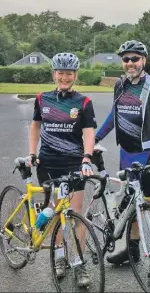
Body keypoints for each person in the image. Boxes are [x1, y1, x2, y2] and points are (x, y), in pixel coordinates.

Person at [94, 40, 150, 278]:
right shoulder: (120, 85)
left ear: (144, 61)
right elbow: (113, 116)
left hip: (148, 156)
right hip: (126, 154)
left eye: (135, 59)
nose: (130, 63)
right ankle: (132, 250)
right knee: (131, 203)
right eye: (126, 59)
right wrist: (94, 138)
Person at [26, 52, 96, 287]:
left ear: (75, 75)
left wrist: (87, 157)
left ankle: (78, 263)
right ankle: (58, 258)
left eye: (69, 73)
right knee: (56, 212)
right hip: (48, 164)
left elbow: (88, 131)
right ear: (54, 74)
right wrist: (32, 153)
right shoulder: (42, 99)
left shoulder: (83, 102)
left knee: (75, 215)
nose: (64, 77)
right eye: (60, 72)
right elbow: (35, 126)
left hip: (73, 164)